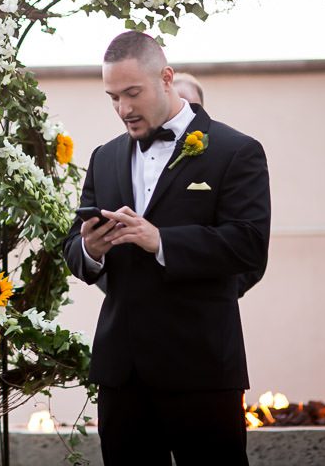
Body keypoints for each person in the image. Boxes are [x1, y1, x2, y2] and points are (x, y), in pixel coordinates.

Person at [63, 31, 270, 465]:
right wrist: (90, 251)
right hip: (122, 375)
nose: (123, 109)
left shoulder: (237, 151)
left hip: (203, 370)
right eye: (113, 97)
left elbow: (249, 244)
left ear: (166, 78)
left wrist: (161, 241)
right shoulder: (104, 157)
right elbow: (74, 249)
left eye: (132, 93)